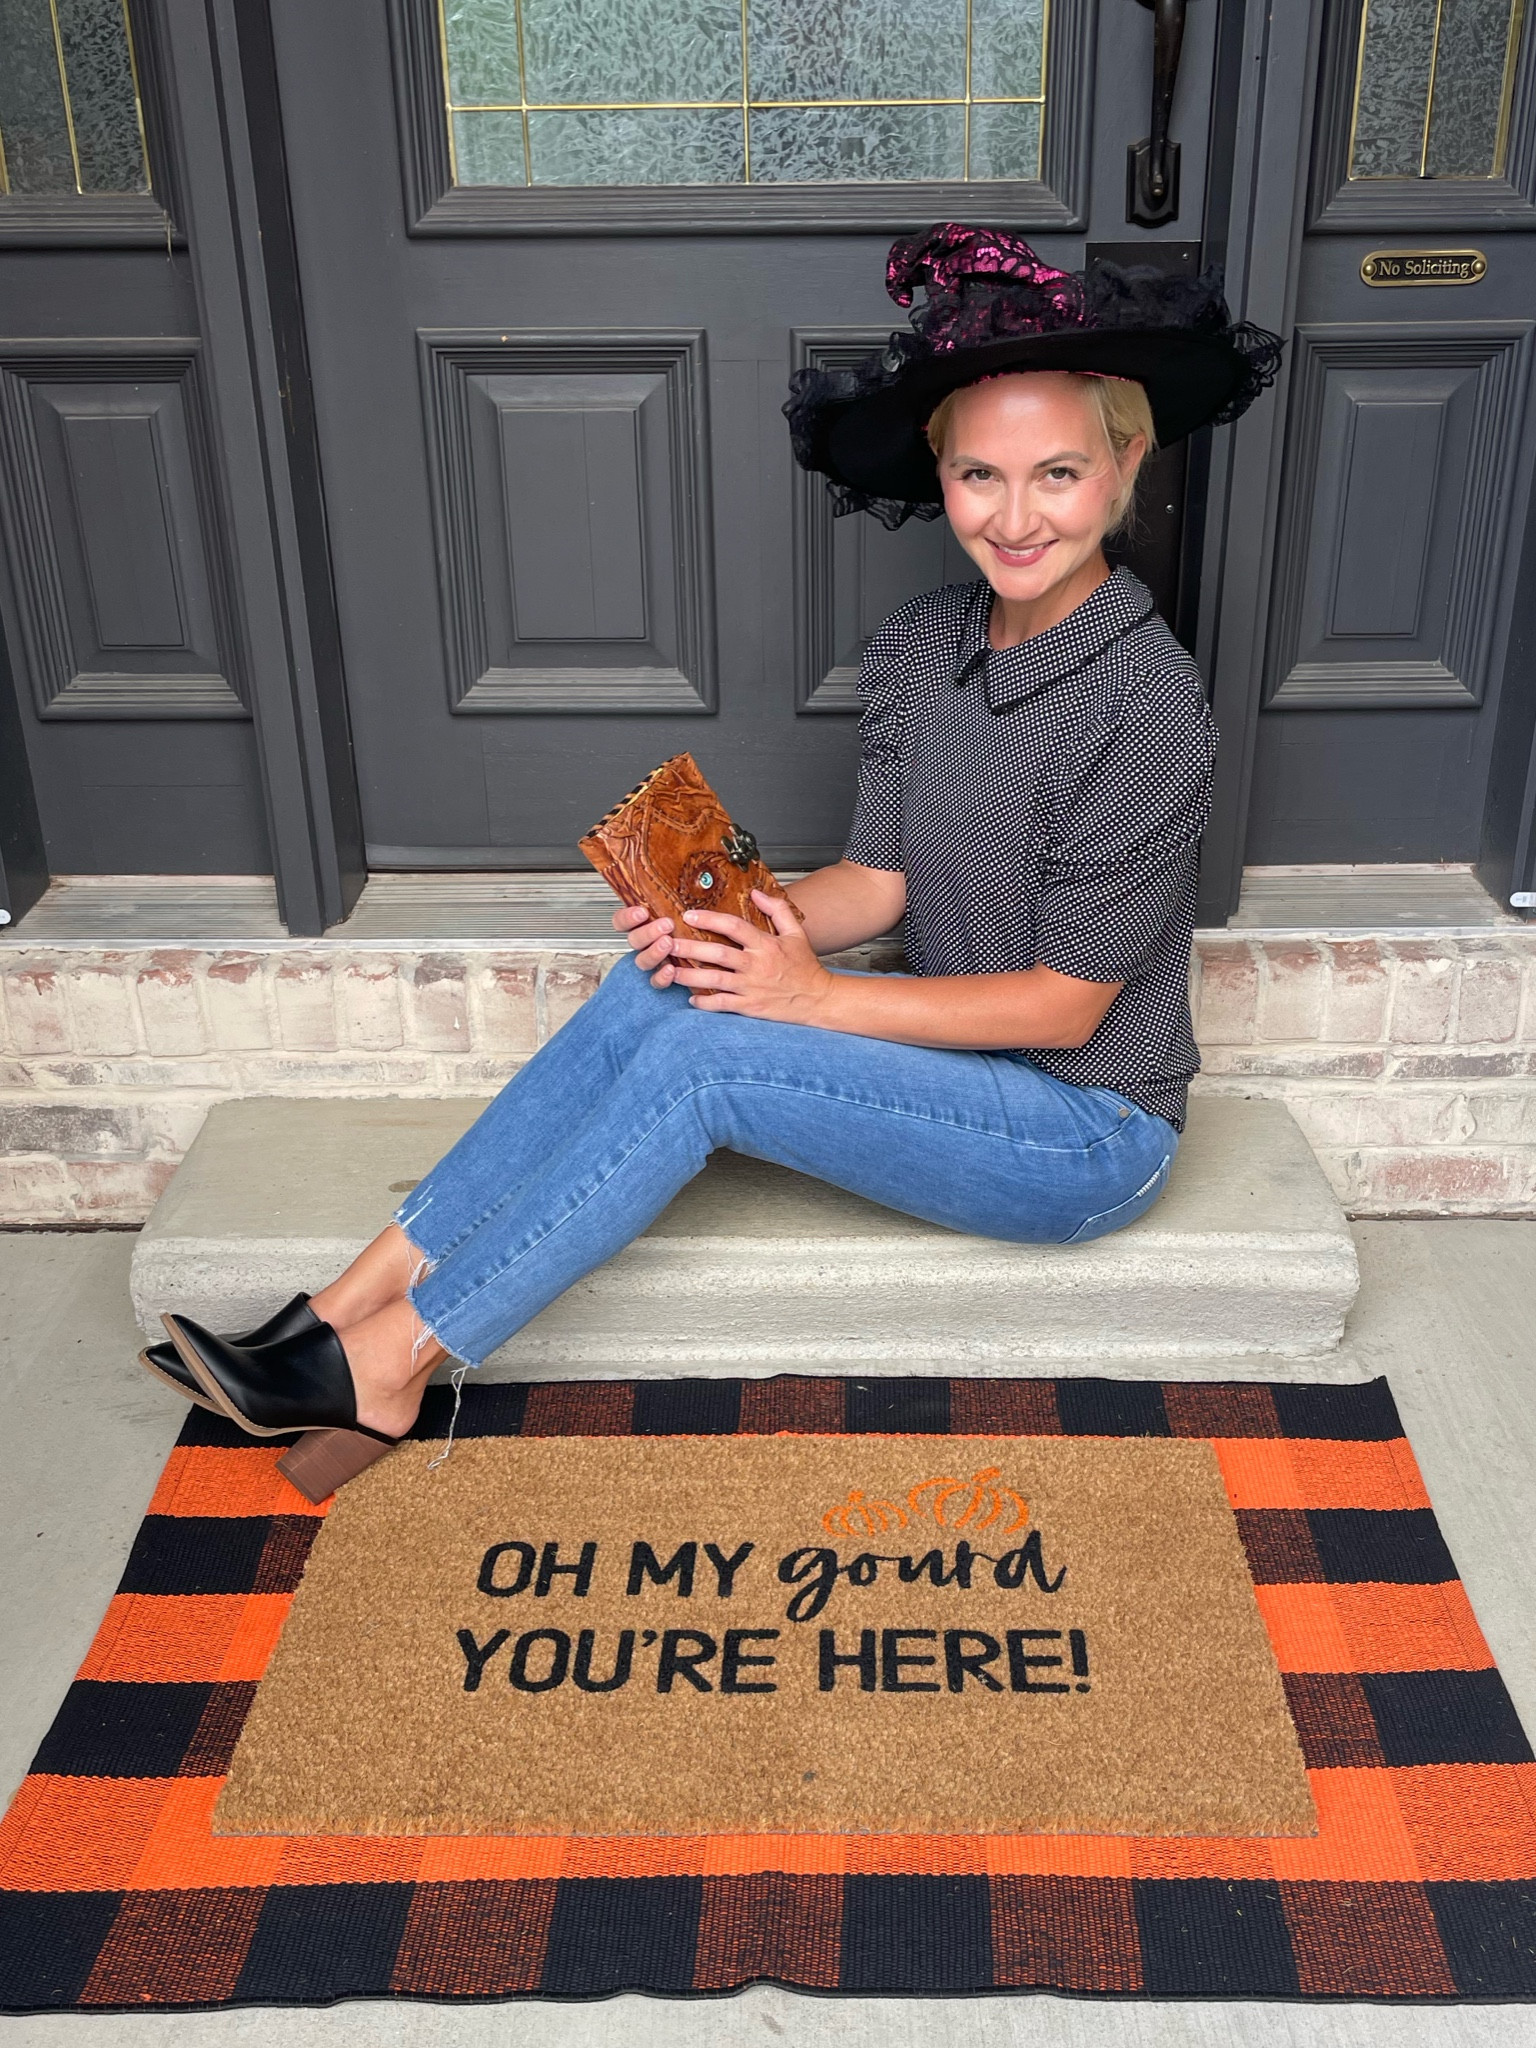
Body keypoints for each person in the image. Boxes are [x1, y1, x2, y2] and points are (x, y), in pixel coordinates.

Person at [148, 224, 1282, 1499]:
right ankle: (334, 1310)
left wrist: (811, 998)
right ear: (941, 471)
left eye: (1059, 473)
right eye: (980, 476)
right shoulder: (925, 645)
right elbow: (882, 882)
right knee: (671, 984)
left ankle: (400, 1359)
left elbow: (1066, 1005)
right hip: (937, 1057)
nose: (1015, 517)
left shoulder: (1149, 705)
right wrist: (738, 930)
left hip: (1082, 1124)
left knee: (704, 1063)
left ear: (1126, 463)